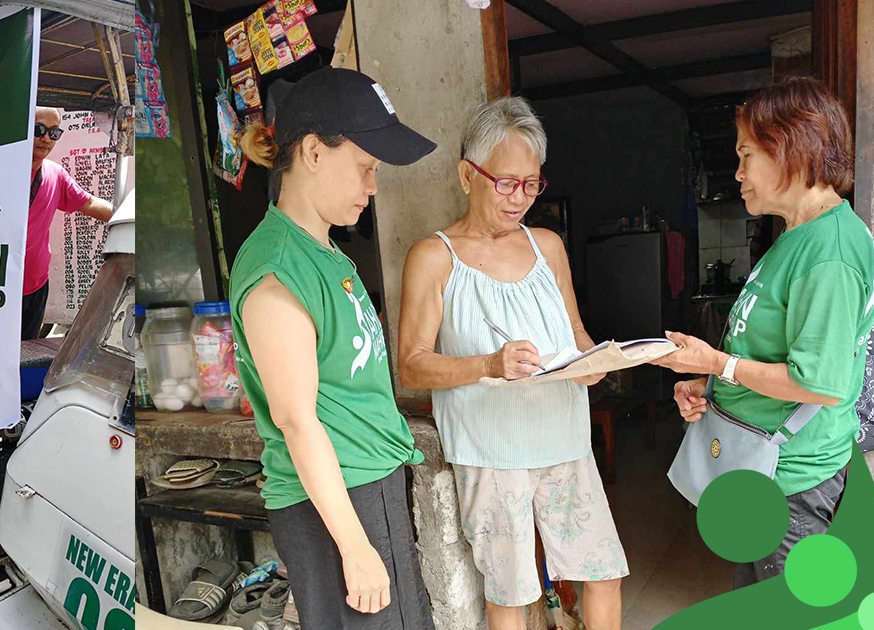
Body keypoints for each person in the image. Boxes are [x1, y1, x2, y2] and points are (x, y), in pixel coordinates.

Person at [397, 97, 627, 630]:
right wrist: (488, 365)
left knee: (603, 572)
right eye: (506, 182)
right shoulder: (434, 257)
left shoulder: (548, 246)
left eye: (531, 184)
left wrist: (596, 362)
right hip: (491, 450)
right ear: (466, 175)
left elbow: (576, 335)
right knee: (512, 594)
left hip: (565, 440)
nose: (519, 198)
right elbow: (412, 366)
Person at [229, 68, 437, 630]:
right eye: (367, 167)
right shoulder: (277, 270)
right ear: (315, 153)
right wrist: (355, 547)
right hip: (337, 501)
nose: (373, 186)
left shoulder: (327, 255)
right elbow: (296, 421)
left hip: (367, 484)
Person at [654, 77, 874, 587]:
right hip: (761, 473)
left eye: (746, 155)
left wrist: (715, 364)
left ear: (791, 147)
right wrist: (711, 387)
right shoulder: (795, 239)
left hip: (790, 484)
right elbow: (765, 352)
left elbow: (817, 383)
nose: (737, 173)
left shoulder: (830, 251)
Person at [23, 106, 115, 339]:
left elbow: (91, 204)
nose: (46, 138)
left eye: (54, 133)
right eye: (38, 129)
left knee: (27, 354)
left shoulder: (56, 174)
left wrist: (134, 217)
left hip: (36, 285)